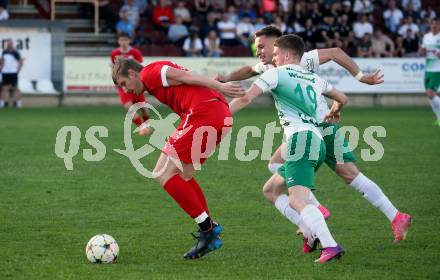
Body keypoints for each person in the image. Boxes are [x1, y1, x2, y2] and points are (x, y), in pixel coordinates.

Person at [216, 26, 412, 244]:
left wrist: (361, 76)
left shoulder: (303, 59)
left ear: (278, 44)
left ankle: (319, 209)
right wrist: (224, 77)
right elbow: (247, 70)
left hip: (320, 128)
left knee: (349, 176)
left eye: (262, 46)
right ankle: (395, 216)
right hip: (309, 129)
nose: (259, 51)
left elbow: (336, 52)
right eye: (257, 47)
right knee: (277, 165)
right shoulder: (269, 66)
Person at [229, 34, 348, 263]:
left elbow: (245, 98)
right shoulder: (313, 77)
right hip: (317, 142)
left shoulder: (276, 73)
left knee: (297, 200)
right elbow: (342, 97)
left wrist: (221, 116)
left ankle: (330, 245)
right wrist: (335, 109)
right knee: (271, 190)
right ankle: (310, 231)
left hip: (299, 141)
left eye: (274, 55)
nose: (272, 59)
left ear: (285, 54)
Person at [111, 57, 244, 259]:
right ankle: (209, 228)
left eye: (123, 84)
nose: (125, 90)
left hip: (203, 114)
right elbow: (185, 81)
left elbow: (186, 76)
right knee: (183, 176)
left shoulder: (150, 73)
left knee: (162, 173)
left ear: (132, 73)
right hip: (215, 114)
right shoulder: (152, 75)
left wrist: (219, 86)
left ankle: (207, 229)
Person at [110, 33, 149, 135]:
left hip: (135, 84)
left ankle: (146, 125)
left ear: (129, 41)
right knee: (129, 107)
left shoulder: (135, 52)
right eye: (121, 40)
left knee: (144, 109)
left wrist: (139, 83)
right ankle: (142, 127)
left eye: (125, 40)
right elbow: (114, 69)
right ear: (118, 41)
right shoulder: (114, 53)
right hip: (123, 85)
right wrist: (119, 82)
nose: (123, 42)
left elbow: (141, 68)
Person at [419, 18, 440, 126]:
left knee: (430, 93)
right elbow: (421, 51)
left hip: (437, 70)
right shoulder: (426, 37)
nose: (434, 26)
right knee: (430, 96)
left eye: (437, 24)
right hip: (428, 69)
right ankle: (439, 119)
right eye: (433, 24)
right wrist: (421, 51)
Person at [0, 39, 23, 108]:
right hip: (5, 72)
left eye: (11, 43)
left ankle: (17, 103)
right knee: (4, 88)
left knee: (15, 88)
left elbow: (20, 62)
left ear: (12, 44)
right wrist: (1, 68)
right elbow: (2, 61)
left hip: (13, 72)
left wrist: (18, 70)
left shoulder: (16, 53)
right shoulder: (4, 52)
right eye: (8, 43)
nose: (9, 44)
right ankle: (3, 103)